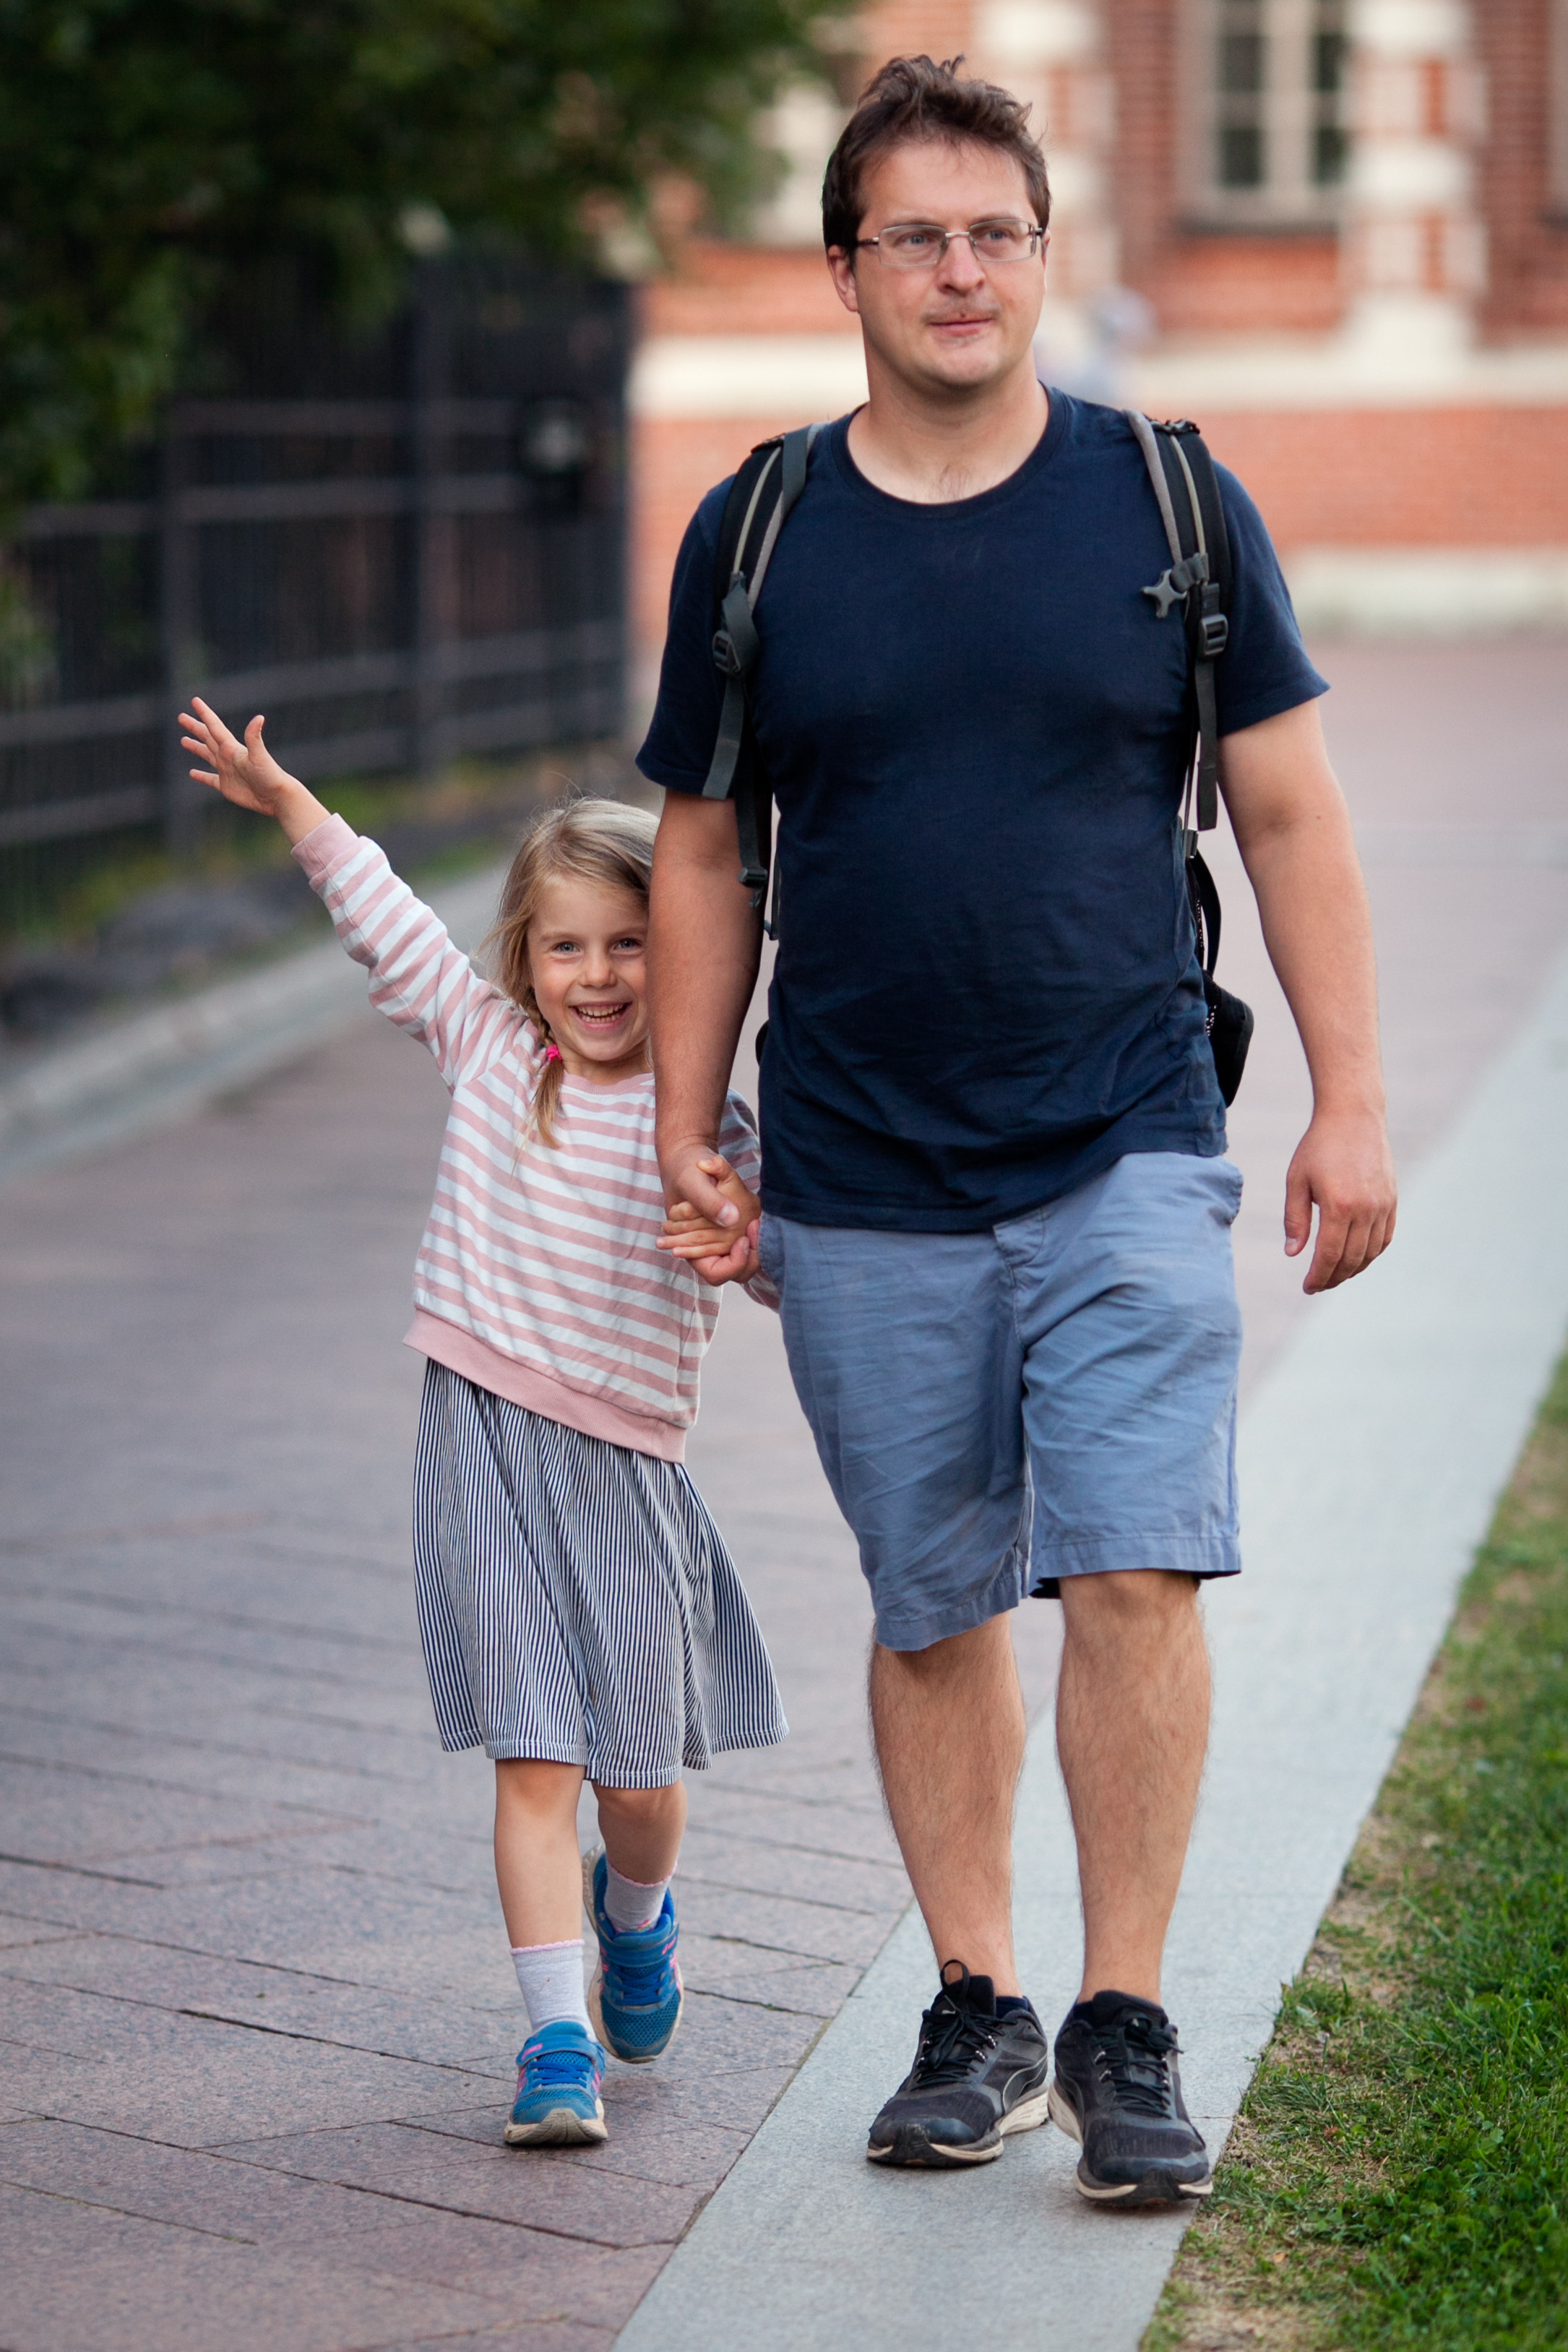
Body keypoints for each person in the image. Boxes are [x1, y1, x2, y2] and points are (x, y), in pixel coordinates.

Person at [645, 55, 1396, 2207]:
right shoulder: (763, 526)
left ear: (1045, 255)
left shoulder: (1165, 500)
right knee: (932, 1596)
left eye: (996, 232)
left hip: (1130, 1127)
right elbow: (705, 854)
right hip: (861, 1162)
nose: (961, 270)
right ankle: (976, 2003)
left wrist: (1350, 1098)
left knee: (1136, 1562)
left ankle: (1124, 2011)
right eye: (918, 234)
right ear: (847, 266)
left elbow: (1284, 808)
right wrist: (695, 1127)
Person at [178, 697, 786, 2150]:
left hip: (630, 1463)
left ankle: (632, 1920)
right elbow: (387, 925)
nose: (595, 974)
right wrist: (298, 812)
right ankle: (555, 2040)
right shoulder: (488, 1048)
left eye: (629, 942)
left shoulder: (702, 1120)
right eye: (564, 944)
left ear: (683, 953)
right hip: (480, 1445)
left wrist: (748, 1245)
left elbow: (775, 1264)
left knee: (636, 1782)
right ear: (522, 959)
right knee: (536, 1756)